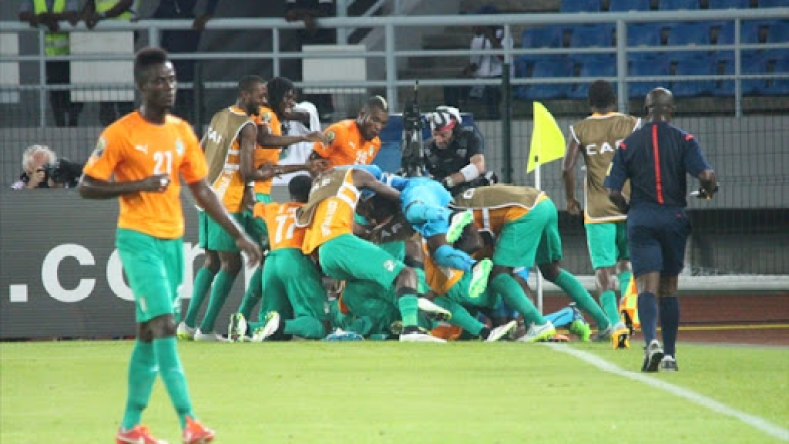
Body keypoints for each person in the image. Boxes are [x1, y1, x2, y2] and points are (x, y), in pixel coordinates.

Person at [78, 47, 261, 444]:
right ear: (142, 86)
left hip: (172, 241)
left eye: (172, 78)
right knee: (164, 325)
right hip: (138, 240)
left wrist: (238, 234)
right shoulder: (121, 133)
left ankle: (130, 427)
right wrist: (138, 184)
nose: (169, 86)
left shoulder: (181, 132)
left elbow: (203, 190)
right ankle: (189, 421)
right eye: (160, 80)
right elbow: (87, 185)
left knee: (148, 333)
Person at [604, 87, 717, 372]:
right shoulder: (685, 140)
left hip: (642, 217)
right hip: (673, 217)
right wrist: (708, 191)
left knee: (646, 286)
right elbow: (707, 174)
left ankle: (651, 342)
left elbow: (612, 191)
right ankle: (670, 355)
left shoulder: (628, 145)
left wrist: (629, 209)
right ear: (672, 111)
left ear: (645, 111)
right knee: (669, 287)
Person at [295, 166, 446, 343]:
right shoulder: (356, 174)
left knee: (379, 285)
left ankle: (413, 303)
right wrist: (422, 203)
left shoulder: (325, 191)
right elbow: (397, 196)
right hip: (339, 243)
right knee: (406, 273)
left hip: (324, 254)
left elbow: (360, 230)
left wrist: (373, 229)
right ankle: (411, 330)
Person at [452, 185, 615, 342]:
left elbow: (475, 242)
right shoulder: (459, 204)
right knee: (552, 270)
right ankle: (605, 324)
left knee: (498, 274)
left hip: (523, 213)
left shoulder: (453, 214)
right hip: (544, 203)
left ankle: (538, 324)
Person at [176, 75, 271, 342]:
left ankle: (188, 324)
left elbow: (200, 150)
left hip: (206, 198)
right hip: (227, 202)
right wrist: (267, 172)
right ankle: (206, 329)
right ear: (245, 95)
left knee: (212, 261)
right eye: (260, 96)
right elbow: (247, 170)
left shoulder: (220, 116)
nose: (263, 101)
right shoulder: (247, 127)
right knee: (231, 264)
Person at [227, 76, 327, 326]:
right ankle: (243, 315)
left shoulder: (268, 116)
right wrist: (305, 139)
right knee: (270, 254)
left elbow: (271, 166)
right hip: (256, 191)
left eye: (294, 98)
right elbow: (266, 143)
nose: (291, 102)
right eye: (288, 97)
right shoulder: (267, 116)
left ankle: (244, 319)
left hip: (259, 195)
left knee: (265, 258)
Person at [562, 79, 640, 349]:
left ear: (589, 102)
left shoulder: (580, 129)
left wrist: (570, 199)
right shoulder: (632, 124)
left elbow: (567, 167)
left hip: (598, 211)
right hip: (629, 206)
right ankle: (628, 311)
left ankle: (614, 324)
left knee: (603, 269)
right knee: (628, 264)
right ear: (614, 100)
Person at [227, 175, 330, 342]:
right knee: (320, 323)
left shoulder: (273, 209)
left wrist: (248, 179)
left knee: (275, 331)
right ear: (311, 193)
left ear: (290, 193)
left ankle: (245, 328)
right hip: (295, 259)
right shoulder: (312, 211)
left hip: (271, 261)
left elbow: (249, 203)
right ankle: (278, 325)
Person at [148, 0, 220, 123]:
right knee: (171, 78)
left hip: (185, 30)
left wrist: (208, 13)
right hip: (171, 31)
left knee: (185, 78)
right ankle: (177, 119)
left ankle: (192, 119)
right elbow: (163, 9)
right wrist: (146, 20)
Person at [18, 0, 83, 127]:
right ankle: (60, 124)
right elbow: (22, 14)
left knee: (73, 90)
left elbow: (73, 14)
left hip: (72, 52)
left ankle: (72, 122)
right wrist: (40, 19)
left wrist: (46, 18)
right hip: (51, 54)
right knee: (55, 90)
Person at [443, 5, 513, 119]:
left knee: (491, 91)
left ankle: (494, 120)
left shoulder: (505, 35)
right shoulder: (477, 39)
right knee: (451, 86)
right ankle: (453, 119)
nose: (473, 24)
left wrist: (490, 36)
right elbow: (475, 63)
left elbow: (503, 57)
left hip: (498, 78)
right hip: (479, 78)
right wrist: (464, 73)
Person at [81, 0, 137, 126]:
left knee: (123, 84)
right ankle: (109, 124)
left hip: (123, 30)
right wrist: (86, 16)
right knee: (105, 82)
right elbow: (90, 3)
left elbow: (126, 2)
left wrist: (102, 16)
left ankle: (127, 125)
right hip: (101, 32)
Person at [423, 106, 491, 196]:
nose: (439, 140)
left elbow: (478, 167)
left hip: (471, 191)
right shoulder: (427, 148)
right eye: (435, 134)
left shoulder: (469, 138)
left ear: (454, 129)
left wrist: (450, 181)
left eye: (444, 135)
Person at [284, 0, 336, 120]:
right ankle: (306, 113)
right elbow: (288, 13)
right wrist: (306, 15)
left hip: (322, 41)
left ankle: (324, 112)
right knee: (302, 79)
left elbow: (326, 11)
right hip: (302, 43)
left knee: (323, 81)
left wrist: (303, 15)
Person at [310, 95, 389, 169]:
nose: (378, 127)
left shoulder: (375, 143)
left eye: (383, 123)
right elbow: (312, 162)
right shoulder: (340, 131)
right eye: (375, 120)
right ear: (362, 114)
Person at [273, 100, 321, 186]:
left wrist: (284, 112)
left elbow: (304, 115)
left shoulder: (306, 107)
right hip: (274, 178)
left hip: (302, 178)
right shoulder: (263, 114)